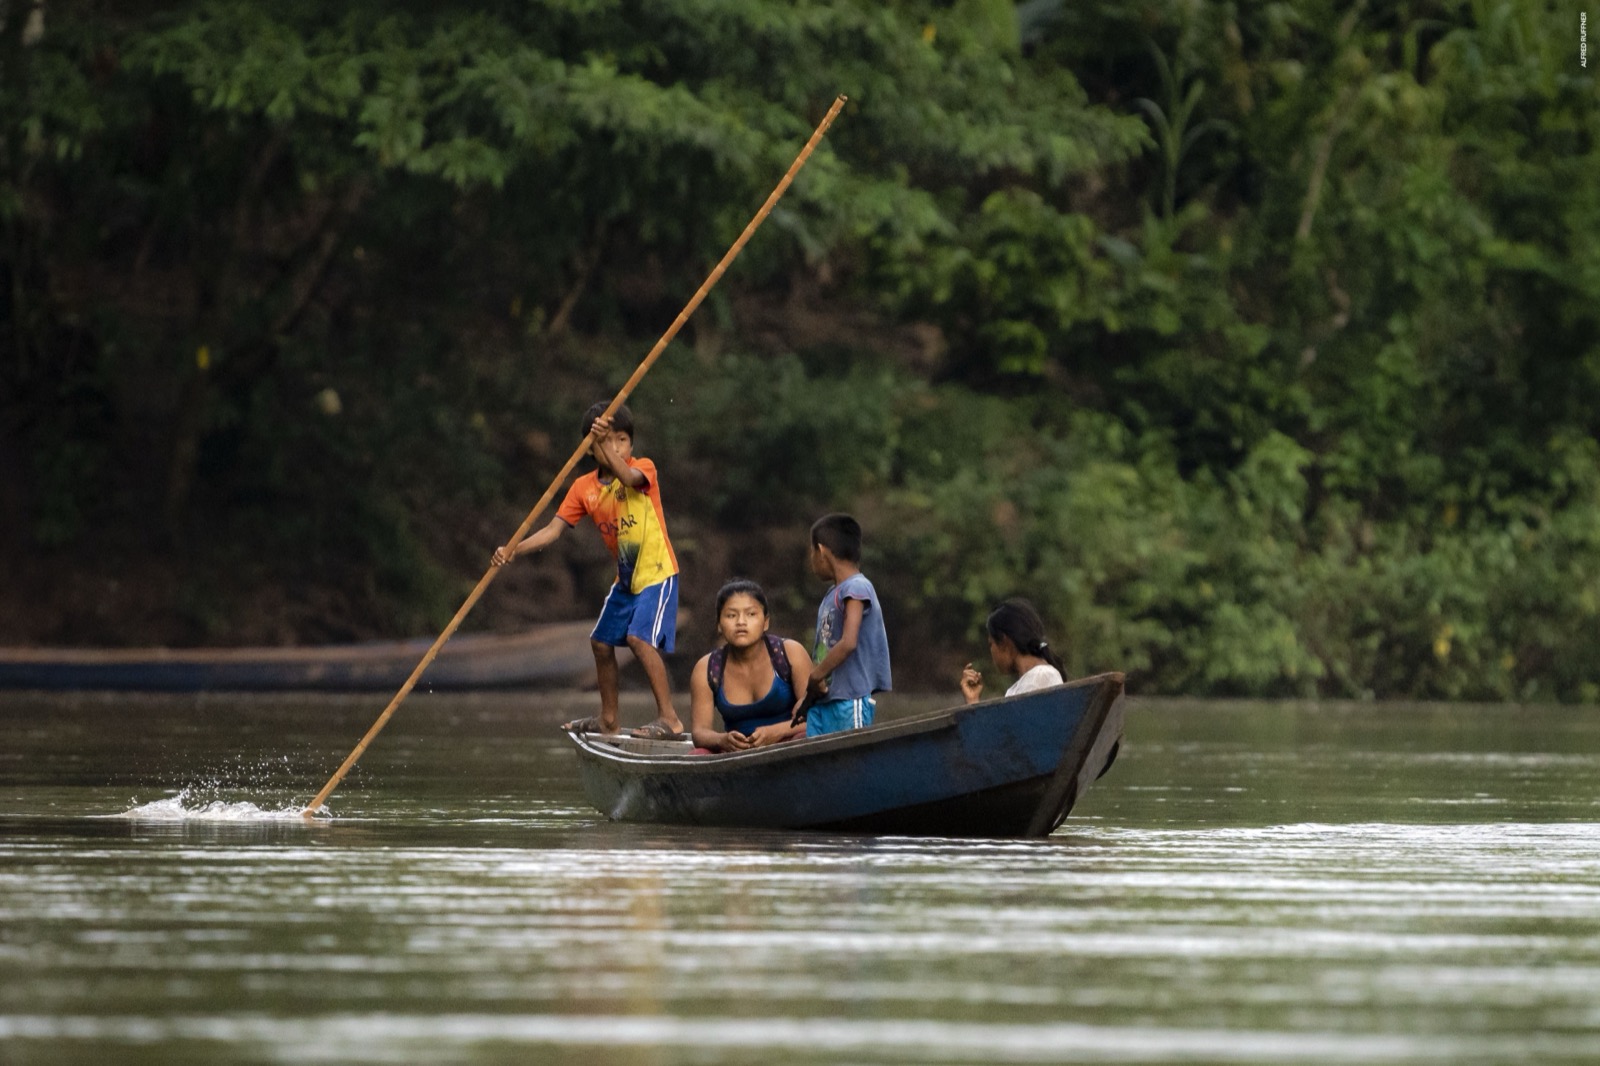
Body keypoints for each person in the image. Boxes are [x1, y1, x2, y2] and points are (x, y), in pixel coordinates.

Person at [491, 402, 685, 740]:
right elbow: (552, 530)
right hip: (626, 582)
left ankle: (670, 719)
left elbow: (625, 476)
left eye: (622, 440)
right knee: (599, 643)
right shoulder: (584, 488)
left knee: (638, 638)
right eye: (608, 442)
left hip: (657, 572)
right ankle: (608, 719)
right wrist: (514, 550)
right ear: (590, 449)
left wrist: (604, 445)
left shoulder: (642, 469)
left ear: (631, 445)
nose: (617, 448)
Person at [688, 579, 811, 753]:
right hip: (737, 753)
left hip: (788, 745)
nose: (741, 622)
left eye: (751, 614)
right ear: (719, 625)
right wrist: (722, 739)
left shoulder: (789, 653)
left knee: (806, 738)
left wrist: (775, 732)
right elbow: (700, 732)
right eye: (731, 615)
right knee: (697, 754)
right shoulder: (707, 668)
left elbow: (814, 715)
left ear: (765, 622)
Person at [802, 513, 892, 737]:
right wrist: (808, 697)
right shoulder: (833, 593)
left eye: (811, 553)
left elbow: (849, 642)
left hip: (849, 700)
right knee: (818, 767)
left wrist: (814, 676)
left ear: (821, 552)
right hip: (824, 701)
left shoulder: (857, 587)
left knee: (850, 766)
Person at [959, 598, 1065, 704]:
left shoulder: (1041, 676)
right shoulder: (1022, 686)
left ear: (1004, 642)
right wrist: (973, 700)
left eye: (991, 644)